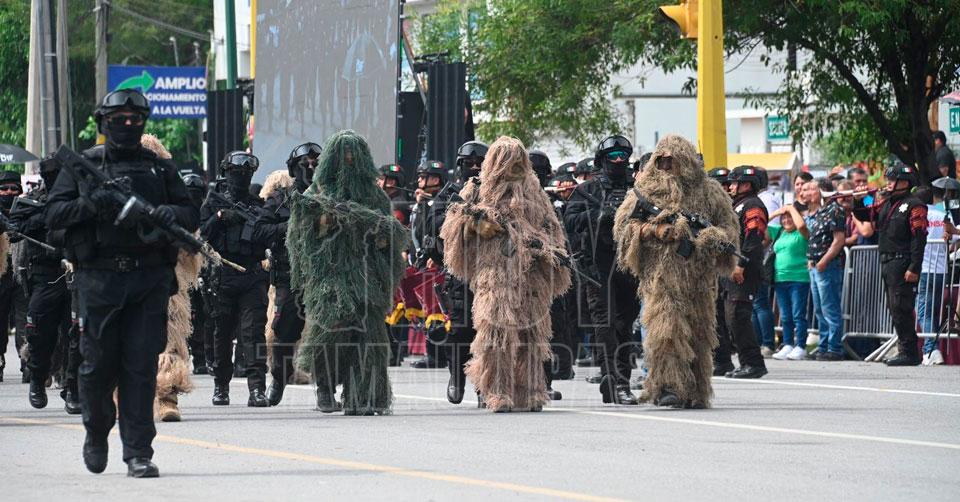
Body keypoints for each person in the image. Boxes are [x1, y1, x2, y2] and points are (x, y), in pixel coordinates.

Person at [46, 88, 198, 477]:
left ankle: (138, 453)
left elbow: (188, 211)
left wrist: (161, 211)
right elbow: (55, 214)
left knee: (140, 368)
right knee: (97, 367)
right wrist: (95, 204)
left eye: (136, 120)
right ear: (104, 123)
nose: (128, 126)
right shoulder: (83, 166)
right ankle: (97, 432)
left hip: (148, 279)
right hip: (99, 279)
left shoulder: (158, 168)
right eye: (120, 120)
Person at [440, 136, 570, 412]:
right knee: (495, 335)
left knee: (532, 337)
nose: (511, 167)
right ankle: (496, 391)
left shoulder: (536, 194)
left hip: (532, 275)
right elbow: (451, 226)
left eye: (517, 161)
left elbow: (553, 229)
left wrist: (545, 248)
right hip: (494, 275)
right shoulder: (477, 189)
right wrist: (475, 224)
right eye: (505, 161)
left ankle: (532, 390)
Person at [286, 130, 408, 415]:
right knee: (331, 330)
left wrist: (380, 238)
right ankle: (325, 387)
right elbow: (299, 238)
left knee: (369, 336)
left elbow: (388, 234)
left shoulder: (375, 196)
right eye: (343, 158)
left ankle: (364, 394)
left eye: (354, 158)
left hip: (368, 274)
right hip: (330, 275)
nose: (349, 163)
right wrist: (321, 226)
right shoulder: (317, 193)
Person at [614, 136, 739, 407]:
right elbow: (624, 227)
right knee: (665, 333)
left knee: (698, 334)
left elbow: (730, 230)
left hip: (699, 278)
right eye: (662, 160)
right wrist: (653, 230)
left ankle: (694, 389)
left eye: (674, 160)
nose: (668, 166)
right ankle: (667, 387)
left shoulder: (710, 192)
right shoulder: (644, 190)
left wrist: (711, 236)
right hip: (662, 277)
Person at [564, 135, 640, 404]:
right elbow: (568, 221)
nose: (619, 161)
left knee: (625, 325)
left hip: (629, 267)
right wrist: (597, 216)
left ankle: (624, 379)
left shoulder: (637, 189)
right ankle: (614, 379)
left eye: (623, 156)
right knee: (604, 324)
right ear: (602, 160)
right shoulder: (587, 191)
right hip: (596, 267)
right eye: (614, 156)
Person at [415, 141, 487, 404]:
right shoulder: (450, 193)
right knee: (459, 330)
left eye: (481, 163)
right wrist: (461, 216)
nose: (476, 168)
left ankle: (484, 385)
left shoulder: (495, 194)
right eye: (471, 164)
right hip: (459, 272)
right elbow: (433, 225)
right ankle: (457, 376)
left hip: (490, 273)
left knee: (487, 331)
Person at [200, 151, 270, 407]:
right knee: (222, 334)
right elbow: (202, 235)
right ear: (226, 173)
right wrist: (219, 218)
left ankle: (257, 389)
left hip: (251, 275)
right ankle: (221, 386)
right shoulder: (213, 204)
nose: (240, 178)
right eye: (236, 173)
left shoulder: (258, 205)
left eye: (245, 173)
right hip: (223, 274)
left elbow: (268, 236)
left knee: (253, 334)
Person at [254, 142, 320, 407]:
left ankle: (326, 390)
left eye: (316, 164)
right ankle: (279, 378)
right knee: (284, 332)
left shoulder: (329, 195)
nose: (312, 168)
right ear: (295, 168)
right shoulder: (281, 198)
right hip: (290, 276)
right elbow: (259, 230)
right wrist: (292, 225)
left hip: (324, 275)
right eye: (307, 164)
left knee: (325, 333)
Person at [8, 160, 76, 412]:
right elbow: (17, 228)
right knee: (39, 334)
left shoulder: (79, 198)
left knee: (78, 335)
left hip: (77, 273)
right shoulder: (34, 201)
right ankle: (37, 380)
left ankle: (73, 387)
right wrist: (48, 213)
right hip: (45, 275)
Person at [853, 165, 927, 365]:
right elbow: (865, 216)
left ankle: (909, 352)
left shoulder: (915, 205)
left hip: (902, 261)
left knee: (901, 306)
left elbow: (919, 238)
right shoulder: (887, 203)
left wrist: (914, 267)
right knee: (894, 307)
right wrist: (857, 201)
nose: (888, 183)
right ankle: (905, 349)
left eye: (892, 180)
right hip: (887, 261)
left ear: (904, 182)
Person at [716, 166, 769, 379]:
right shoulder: (736, 206)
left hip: (744, 270)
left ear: (747, 184)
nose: (731, 186)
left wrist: (741, 265)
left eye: (735, 182)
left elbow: (754, 238)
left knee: (738, 316)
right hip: (729, 269)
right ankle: (728, 362)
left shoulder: (752, 205)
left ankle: (753, 363)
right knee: (726, 316)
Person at [409, 159, 449, 370]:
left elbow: (432, 231)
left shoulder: (445, 202)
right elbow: (415, 233)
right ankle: (432, 352)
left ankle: (439, 355)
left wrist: (425, 207)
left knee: (438, 309)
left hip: (441, 262)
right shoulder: (422, 204)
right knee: (428, 309)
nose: (420, 181)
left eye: (424, 177)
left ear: (435, 179)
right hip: (426, 261)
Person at [913, 186, 957, 366]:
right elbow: (954, 239)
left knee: (923, 311)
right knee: (934, 310)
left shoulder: (919, 215)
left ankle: (931, 349)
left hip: (924, 268)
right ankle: (932, 349)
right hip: (941, 269)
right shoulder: (942, 215)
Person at [804, 179, 847, 361]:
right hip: (815, 265)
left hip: (827, 266)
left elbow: (838, 240)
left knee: (830, 308)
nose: (808, 193)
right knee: (820, 310)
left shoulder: (835, 209)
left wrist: (824, 260)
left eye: (812, 189)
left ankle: (834, 347)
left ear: (822, 191)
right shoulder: (819, 212)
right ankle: (823, 346)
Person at [767, 204, 811, 361]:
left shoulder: (801, 233)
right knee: (785, 315)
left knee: (798, 314)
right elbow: (762, 223)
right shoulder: (779, 232)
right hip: (780, 279)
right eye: (783, 218)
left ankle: (800, 346)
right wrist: (777, 212)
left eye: (789, 217)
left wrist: (791, 208)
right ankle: (787, 344)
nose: (786, 220)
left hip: (799, 278)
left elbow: (802, 225)